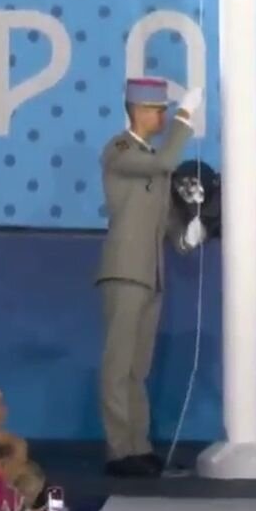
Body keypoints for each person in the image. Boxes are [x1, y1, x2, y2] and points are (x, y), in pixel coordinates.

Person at [95, 78, 205, 478]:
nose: (161, 115)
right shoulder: (120, 149)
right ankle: (118, 450)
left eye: (165, 109)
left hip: (150, 273)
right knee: (117, 366)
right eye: (157, 109)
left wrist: (187, 234)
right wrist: (185, 117)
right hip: (124, 270)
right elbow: (165, 163)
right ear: (138, 110)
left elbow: (167, 220)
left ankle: (137, 448)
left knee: (137, 368)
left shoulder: (152, 160)